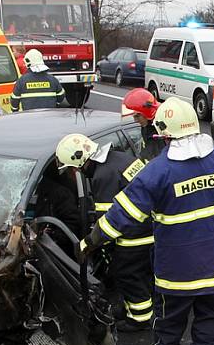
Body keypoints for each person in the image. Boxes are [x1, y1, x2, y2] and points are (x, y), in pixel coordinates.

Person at [79, 97, 214, 345]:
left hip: (176, 273)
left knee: (169, 323)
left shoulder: (157, 171)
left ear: (164, 133)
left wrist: (91, 241)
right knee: (210, 321)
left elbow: (122, 216)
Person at [56, 133, 153, 331]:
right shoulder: (120, 158)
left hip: (135, 236)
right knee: (144, 275)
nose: (75, 172)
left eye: (73, 168)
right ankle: (131, 309)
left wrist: (90, 243)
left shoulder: (103, 176)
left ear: (80, 160)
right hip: (152, 226)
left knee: (128, 275)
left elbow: (110, 222)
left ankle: (139, 319)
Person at [122, 88, 167, 161]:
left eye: (137, 116)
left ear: (148, 113)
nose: (135, 120)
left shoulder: (158, 134)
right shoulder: (147, 126)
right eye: (134, 116)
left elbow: (155, 159)